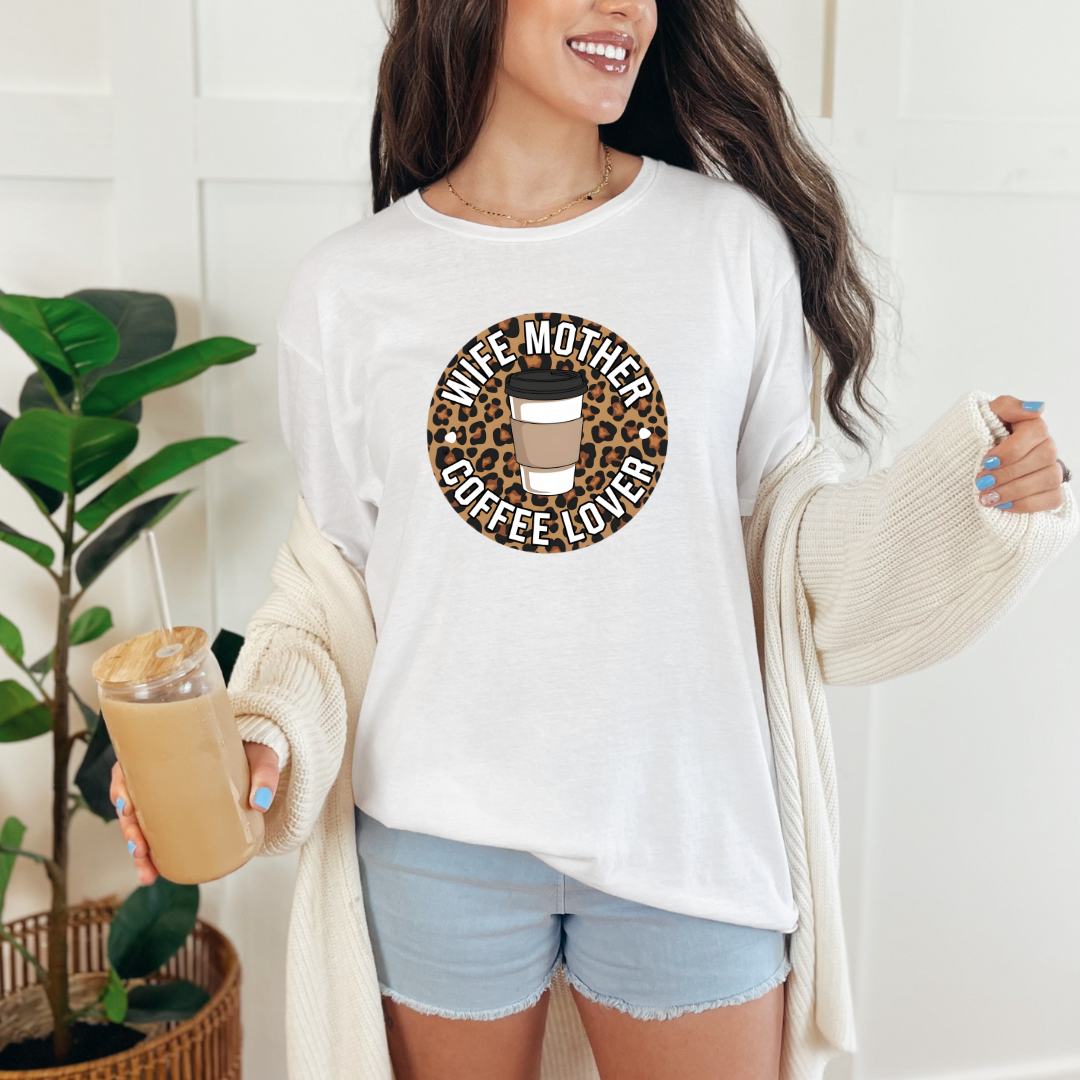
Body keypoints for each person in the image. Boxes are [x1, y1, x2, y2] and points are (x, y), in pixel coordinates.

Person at [109, 1, 1077, 1078]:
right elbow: (331, 591)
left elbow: (785, 556)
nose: (626, 7)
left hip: (688, 824)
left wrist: (966, 503)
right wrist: (261, 737)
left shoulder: (727, 245)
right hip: (437, 836)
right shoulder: (350, 288)